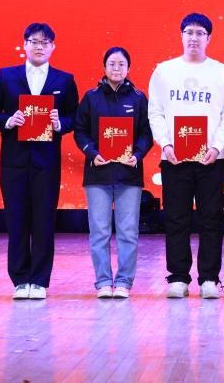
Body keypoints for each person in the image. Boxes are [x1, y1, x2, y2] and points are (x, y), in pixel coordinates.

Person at [0, 22, 79, 300]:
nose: (39, 46)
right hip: (14, 160)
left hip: (46, 162)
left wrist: (60, 124)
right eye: (34, 42)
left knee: (44, 221)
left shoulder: (64, 80)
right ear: (24, 44)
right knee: (16, 220)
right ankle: (19, 279)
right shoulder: (6, 76)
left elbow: (75, 116)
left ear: (53, 47)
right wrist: (8, 120)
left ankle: (38, 281)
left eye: (45, 42)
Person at [148, 12, 224, 300]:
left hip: (211, 159)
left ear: (209, 38)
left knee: (211, 218)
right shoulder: (164, 71)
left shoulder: (222, 72)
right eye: (189, 32)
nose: (194, 37)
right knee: (176, 218)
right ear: (181, 35)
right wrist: (165, 144)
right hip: (174, 158)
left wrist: (217, 146)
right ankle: (178, 277)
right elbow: (156, 112)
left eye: (200, 33)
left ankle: (209, 278)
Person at [73, 47, 153, 299]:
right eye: (111, 64)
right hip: (98, 174)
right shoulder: (91, 97)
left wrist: (137, 154)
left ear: (128, 68)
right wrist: (91, 152)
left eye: (121, 64)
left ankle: (124, 282)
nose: (116, 68)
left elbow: (147, 133)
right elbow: (79, 131)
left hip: (129, 175)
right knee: (100, 232)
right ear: (104, 67)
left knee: (128, 232)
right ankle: (103, 282)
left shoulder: (139, 98)